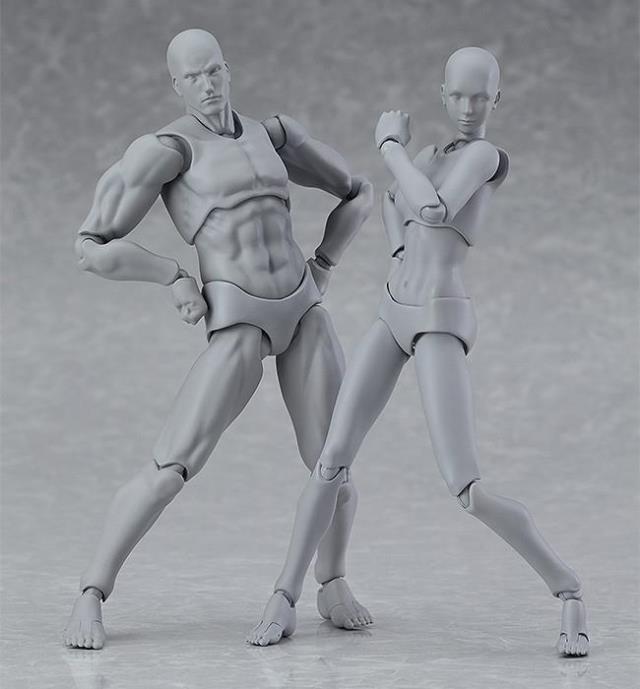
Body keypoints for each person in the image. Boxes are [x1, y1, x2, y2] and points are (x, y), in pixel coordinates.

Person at [249, 47, 589, 657]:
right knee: (330, 461)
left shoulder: (484, 156)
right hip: (393, 310)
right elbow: (394, 208)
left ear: (497, 99)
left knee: (466, 486)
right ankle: (284, 594)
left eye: (480, 97)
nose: (467, 108)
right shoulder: (426, 156)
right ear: (441, 94)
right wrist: (398, 239)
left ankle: (568, 591)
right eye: (457, 95)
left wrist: (389, 147)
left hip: (438, 316)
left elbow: (433, 208)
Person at [63, 29, 373, 650]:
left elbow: (358, 193)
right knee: (172, 465)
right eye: (192, 76)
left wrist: (325, 262)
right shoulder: (166, 151)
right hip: (239, 318)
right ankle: (91, 592)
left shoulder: (273, 134)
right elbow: (90, 246)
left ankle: (332, 580)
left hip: (303, 309)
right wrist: (172, 276)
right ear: (175, 85)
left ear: (228, 71)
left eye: (213, 71)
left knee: (334, 465)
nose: (206, 85)